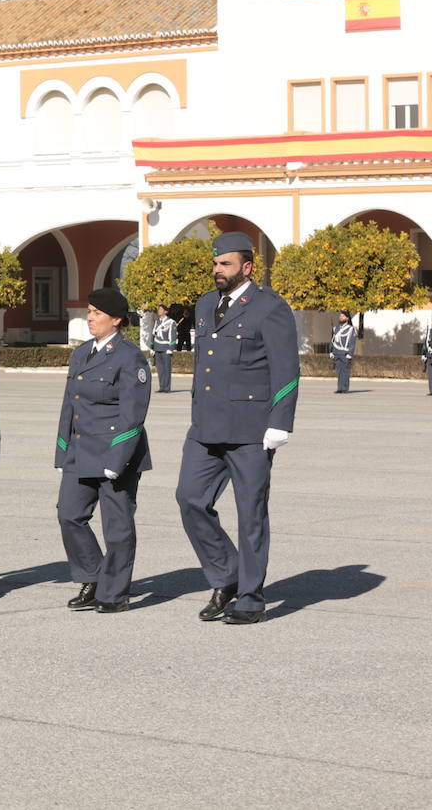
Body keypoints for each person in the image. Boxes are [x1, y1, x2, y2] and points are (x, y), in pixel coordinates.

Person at [175, 232, 299, 626]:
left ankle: (250, 596)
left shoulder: (269, 307)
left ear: (246, 267)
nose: (217, 270)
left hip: (251, 431)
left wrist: (279, 424)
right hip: (206, 426)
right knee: (189, 499)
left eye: (225, 264)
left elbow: (286, 369)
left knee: (251, 515)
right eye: (215, 263)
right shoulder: (205, 303)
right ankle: (227, 574)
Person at [53, 288, 151, 613]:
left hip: (114, 454)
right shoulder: (81, 353)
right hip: (80, 452)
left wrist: (117, 458)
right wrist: (62, 451)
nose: (90, 318)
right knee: (69, 515)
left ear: (117, 320)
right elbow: (70, 405)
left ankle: (114, 593)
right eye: (89, 311)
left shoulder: (129, 356)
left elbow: (133, 414)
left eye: (96, 313)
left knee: (117, 527)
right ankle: (94, 577)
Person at [150, 304, 177, 393]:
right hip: (157, 347)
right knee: (160, 369)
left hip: (166, 348)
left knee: (166, 369)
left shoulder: (171, 322)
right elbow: (153, 335)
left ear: (165, 311)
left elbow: (173, 336)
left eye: (161, 309)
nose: (159, 311)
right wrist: (152, 347)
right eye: (159, 309)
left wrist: (171, 348)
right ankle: (162, 387)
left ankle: (167, 388)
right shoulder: (157, 322)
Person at [330, 311, 356, 394]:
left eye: (343, 316)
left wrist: (350, 353)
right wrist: (331, 351)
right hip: (337, 352)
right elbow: (332, 341)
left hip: (345, 353)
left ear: (347, 318)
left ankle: (344, 388)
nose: (341, 317)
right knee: (339, 371)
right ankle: (339, 388)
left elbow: (352, 342)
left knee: (345, 371)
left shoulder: (351, 329)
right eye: (340, 316)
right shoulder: (336, 328)